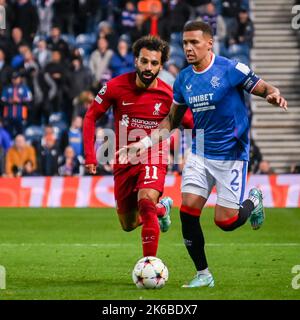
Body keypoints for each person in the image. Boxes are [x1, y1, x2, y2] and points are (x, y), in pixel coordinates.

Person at [119, 21, 288, 287]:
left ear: (209, 43)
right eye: (185, 43)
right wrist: (140, 145)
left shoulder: (230, 69)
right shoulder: (184, 79)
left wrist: (273, 94)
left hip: (231, 154)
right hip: (199, 153)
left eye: (194, 42)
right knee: (188, 211)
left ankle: (253, 201)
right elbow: (171, 122)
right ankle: (203, 274)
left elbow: (264, 87)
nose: (188, 48)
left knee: (226, 221)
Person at [83, 35, 193, 259]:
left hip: (153, 153)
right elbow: (90, 117)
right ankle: (162, 209)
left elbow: (191, 122)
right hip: (124, 158)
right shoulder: (115, 86)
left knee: (145, 200)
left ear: (161, 66)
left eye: (154, 63)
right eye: (144, 61)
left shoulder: (168, 94)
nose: (148, 67)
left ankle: (149, 264)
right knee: (128, 224)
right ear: (136, 61)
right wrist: (90, 156)